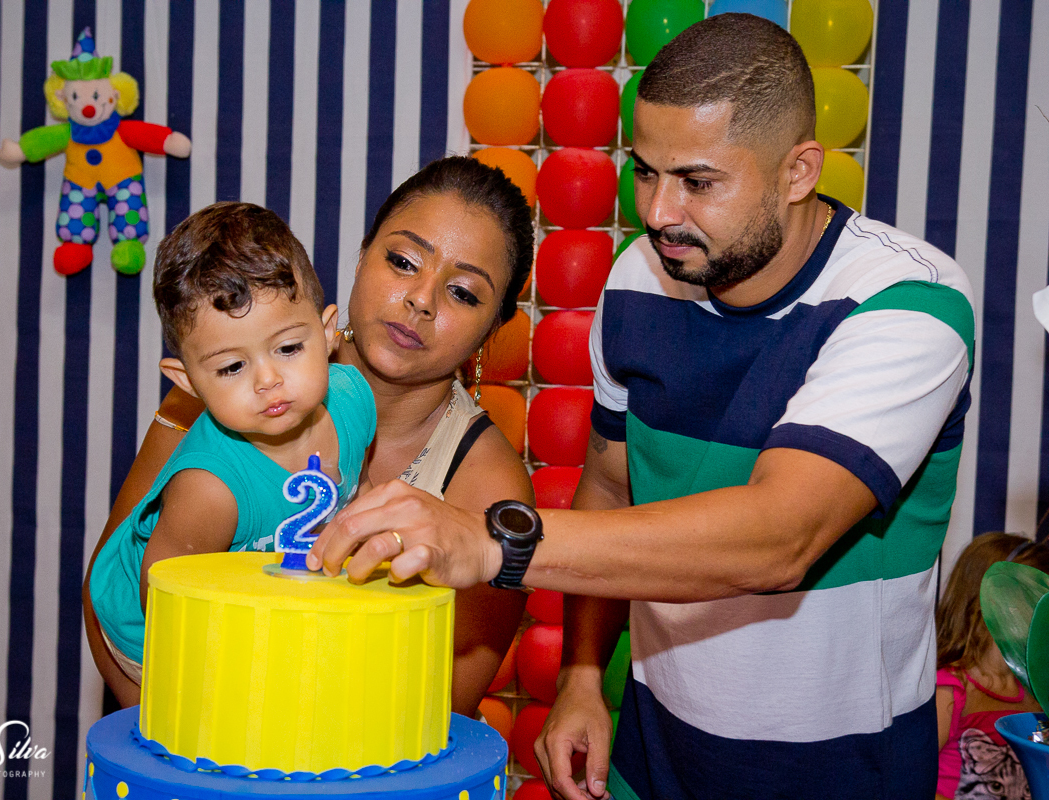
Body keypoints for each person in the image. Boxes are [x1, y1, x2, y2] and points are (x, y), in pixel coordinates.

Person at [309, 14, 975, 799]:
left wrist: (493, 544)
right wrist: (582, 675)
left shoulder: (909, 302)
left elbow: (780, 537)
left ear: (799, 171)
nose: (659, 212)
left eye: (697, 182)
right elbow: (610, 485)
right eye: (646, 172)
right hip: (651, 756)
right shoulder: (639, 278)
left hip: (837, 771)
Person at [82, 157, 535, 713]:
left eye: (463, 292)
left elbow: (437, 703)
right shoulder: (229, 378)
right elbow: (115, 587)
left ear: (494, 328)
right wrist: (176, 732)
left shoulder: (490, 486)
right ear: (362, 255)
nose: (422, 298)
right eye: (402, 261)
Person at [89, 202, 376, 681]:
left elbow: (356, 492)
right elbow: (166, 603)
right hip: (151, 629)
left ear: (328, 334)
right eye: (231, 367)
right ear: (188, 382)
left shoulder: (354, 401)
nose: (268, 380)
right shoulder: (209, 489)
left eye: (289, 348)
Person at [935, 533, 1047, 800]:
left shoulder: (1037, 689)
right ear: (989, 600)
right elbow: (910, 780)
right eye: (1035, 596)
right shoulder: (950, 689)